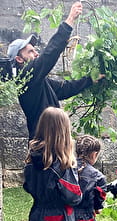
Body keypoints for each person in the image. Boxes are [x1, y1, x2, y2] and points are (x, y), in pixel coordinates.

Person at [7, 2, 99, 140]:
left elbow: (65, 89)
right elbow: (49, 54)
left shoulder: (39, 81)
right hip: (43, 147)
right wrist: (70, 20)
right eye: (30, 51)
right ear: (19, 59)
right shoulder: (26, 78)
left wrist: (91, 79)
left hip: (51, 145)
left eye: (35, 49)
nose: (36, 53)